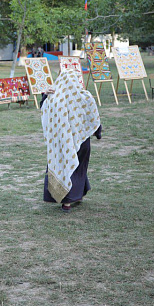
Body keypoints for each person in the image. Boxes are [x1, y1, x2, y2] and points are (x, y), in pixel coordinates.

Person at [41, 70, 102, 213]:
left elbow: (44, 110)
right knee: (79, 169)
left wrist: (45, 95)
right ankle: (77, 196)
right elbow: (94, 117)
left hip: (62, 143)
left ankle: (67, 202)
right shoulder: (85, 96)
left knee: (65, 167)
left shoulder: (54, 98)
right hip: (82, 141)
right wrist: (98, 133)